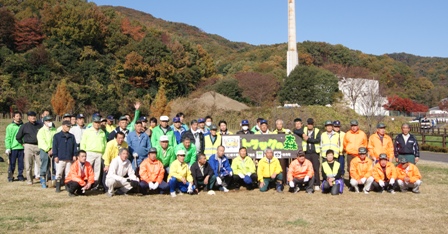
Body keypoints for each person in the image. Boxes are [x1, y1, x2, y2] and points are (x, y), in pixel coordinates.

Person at [80, 116, 107, 189]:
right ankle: (84, 183)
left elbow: (104, 143)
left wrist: (104, 153)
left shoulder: (102, 132)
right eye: (96, 122)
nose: (97, 124)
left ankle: (94, 185)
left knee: (97, 171)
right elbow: (83, 142)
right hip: (89, 152)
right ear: (92, 123)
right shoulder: (87, 131)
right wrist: (83, 153)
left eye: (98, 123)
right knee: (87, 169)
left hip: (99, 153)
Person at [16, 111, 42, 185]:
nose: (33, 117)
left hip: (38, 146)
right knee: (28, 165)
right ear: (28, 118)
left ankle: (43, 179)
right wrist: (23, 143)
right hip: (28, 146)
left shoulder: (40, 125)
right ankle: (29, 180)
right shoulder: (24, 126)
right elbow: (18, 137)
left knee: (40, 164)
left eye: (34, 116)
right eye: (31, 116)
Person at [52, 120, 77, 193]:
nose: (68, 128)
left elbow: (74, 146)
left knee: (68, 173)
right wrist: (55, 156)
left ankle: (67, 186)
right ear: (63, 126)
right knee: (59, 173)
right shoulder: (57, 136)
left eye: (69, 126)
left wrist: (74, 154)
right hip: (60, 157)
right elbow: (55, 147)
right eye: (67, 126)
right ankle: (58, 187)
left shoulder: (72, 136)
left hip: (69, 158)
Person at [36, 116, 56, 188]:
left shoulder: (54, 130)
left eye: (50, 120)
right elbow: (41, 141)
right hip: (44, 150)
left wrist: (53, 148)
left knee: (54, 165)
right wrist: (47, 149)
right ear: (44, 122)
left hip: (53, 150)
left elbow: (55, 140)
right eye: (47, 121)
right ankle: (43, 179)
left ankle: (54, 179)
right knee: (45, 164)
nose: (49, 122)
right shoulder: (41, 131)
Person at [5, 111, 24, 182]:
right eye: (17, 116)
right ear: (13, 117)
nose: (18, 118)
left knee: (21, 163)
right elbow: (8, 138)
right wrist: (8, 148)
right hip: (13, 148)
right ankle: (10, 176)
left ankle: (20, 175)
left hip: (21, 147)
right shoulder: (10, 127)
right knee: (12, 163)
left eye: (19, 116)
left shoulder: (23, 126)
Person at [302, 118, 321, 190]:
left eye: (311, 124)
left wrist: (308, 139)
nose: (310, 125)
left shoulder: (317, 131)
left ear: (313, 124)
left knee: (316, 168)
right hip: (306, 152)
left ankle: (317, 183)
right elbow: (295, 130)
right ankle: (308, 183)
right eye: (308, 124)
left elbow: (318, 140)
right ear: (307, 124)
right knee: (307, 168)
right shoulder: (303, 130)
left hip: (315, 153)